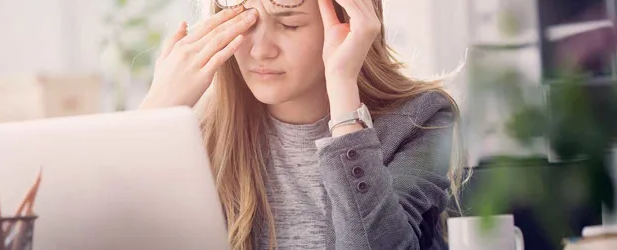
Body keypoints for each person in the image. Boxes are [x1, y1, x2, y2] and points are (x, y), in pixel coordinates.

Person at [139, 0, 468, 249]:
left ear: (347, 22)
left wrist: (342, 87)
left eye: (290, 25)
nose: (260, 50)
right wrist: (154, 114)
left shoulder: (421, 118)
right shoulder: (197, 131)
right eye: (245, 22)